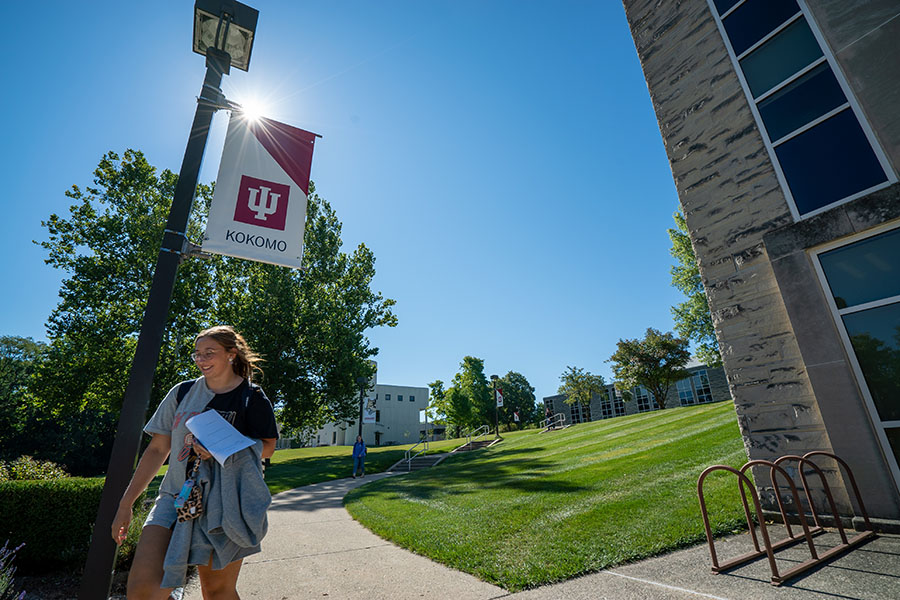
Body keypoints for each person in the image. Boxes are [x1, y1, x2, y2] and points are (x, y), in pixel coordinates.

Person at [112, 325, 278, 600]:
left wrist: (222, 448)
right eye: (197, 354)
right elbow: (156, 450)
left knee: (216, 592)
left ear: (231, 354)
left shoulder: (252, 397)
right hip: (174, 497)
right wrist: (125, 504)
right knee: (142, 591)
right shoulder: (182, 393)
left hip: (224, 504)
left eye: (209, 353)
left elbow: (269, 447)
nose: (201, 360)